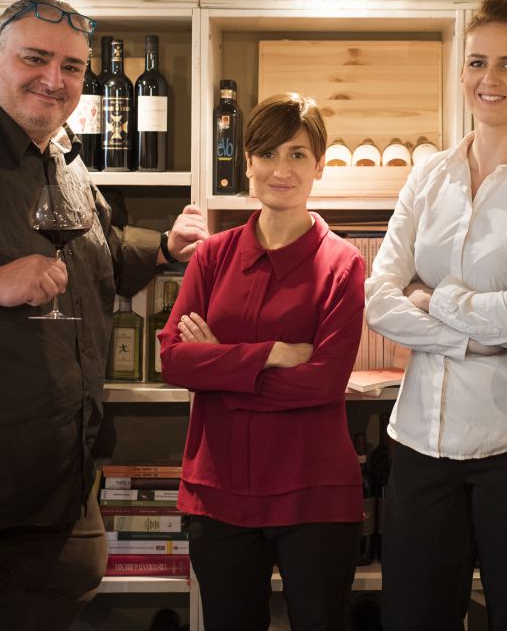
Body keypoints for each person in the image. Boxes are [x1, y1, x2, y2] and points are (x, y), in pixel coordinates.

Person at [0, 0, 209, 630]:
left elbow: (101, 261)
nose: (54, 79)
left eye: (71, 67)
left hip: (60, 465)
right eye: (35, 59)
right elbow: (13, 280)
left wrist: (167, 247)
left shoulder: (62, 155)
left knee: (67, 581)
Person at [365, 0, 507, 631]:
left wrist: (432, 296)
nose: (488, 79)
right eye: (476, 62)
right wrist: (475, 338)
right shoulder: (427, 174)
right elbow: (378, 299)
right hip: (419, 443)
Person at [159, 93, 366, 631]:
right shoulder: (211, 255)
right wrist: (269, 356)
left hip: (314, 491)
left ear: (320, 165)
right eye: (267, 153)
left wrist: (218, 367)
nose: (282, 169)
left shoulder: (343, 264)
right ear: (247, 161)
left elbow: (323, 383)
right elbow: (172, 360)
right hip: (218, 489)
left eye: (298, 154)